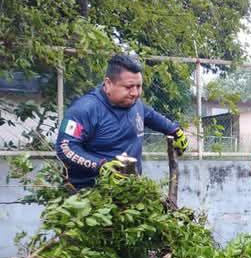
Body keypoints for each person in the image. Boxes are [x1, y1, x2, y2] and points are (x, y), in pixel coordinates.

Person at [54, 54, 188, 189]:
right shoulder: (84, 110)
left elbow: (151, 116)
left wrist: (174, 130)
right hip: (88, 195)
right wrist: (100, 166)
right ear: (108, 84)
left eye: (138, 86)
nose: (135, 93)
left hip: (129, 191)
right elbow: (65, 147)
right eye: (129, 87)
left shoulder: (135, 104)